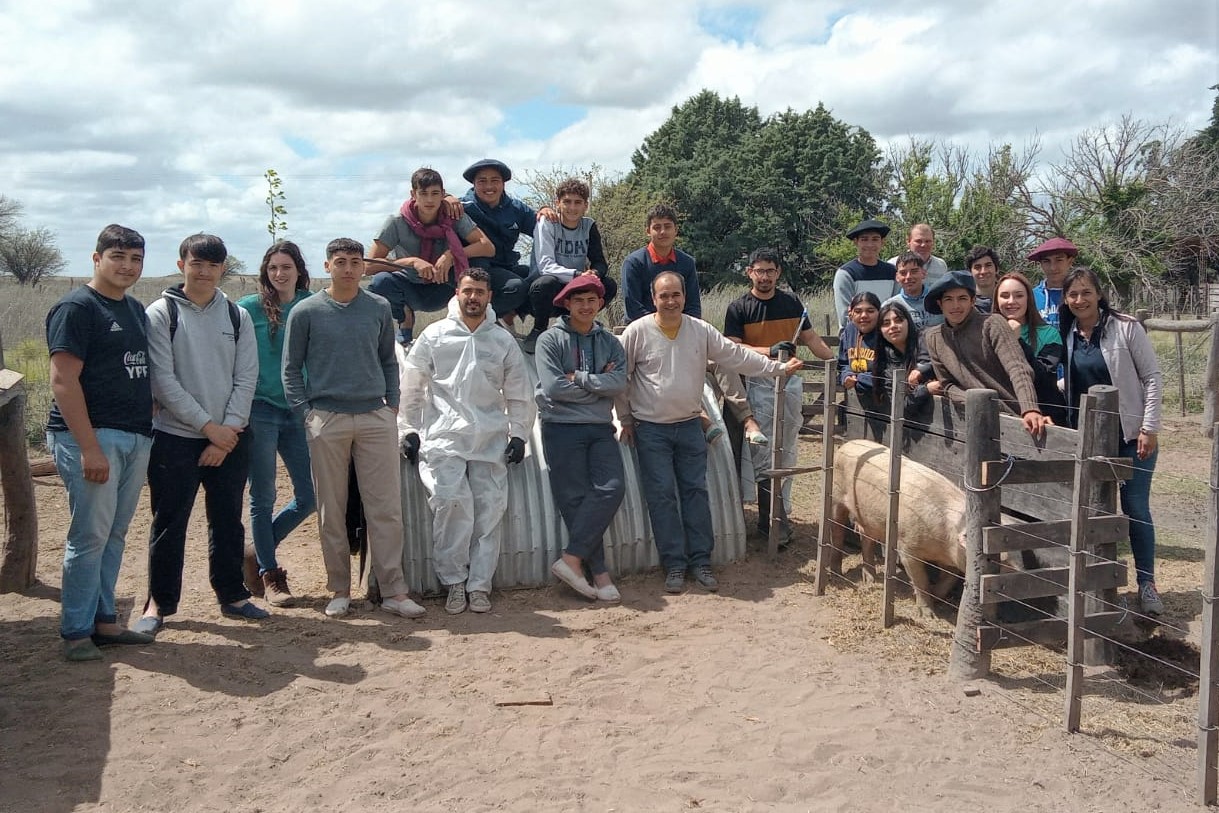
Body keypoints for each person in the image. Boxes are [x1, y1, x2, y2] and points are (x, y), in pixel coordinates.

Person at [617, 272, 803, 594]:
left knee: (695, 493)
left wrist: (776, 367)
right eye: (664, 296)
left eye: (676, 294)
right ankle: (674, 564)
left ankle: (701, 561)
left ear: (684, 296)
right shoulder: (637, 332)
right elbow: (622, 377)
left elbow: (736, 356)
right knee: (661, 496)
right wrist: (625, 419)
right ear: (654, 298)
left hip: (690, 425)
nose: (671, 301)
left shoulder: (699, 331)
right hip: (651, 429)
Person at [283, 238, 424, 621]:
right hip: (327, 418)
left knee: (386, 508)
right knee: (332, 508)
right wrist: (306, 413)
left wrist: (391, 402)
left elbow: (388, 359)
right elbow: (291, 367)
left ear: (364, 267)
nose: (348, 269)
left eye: (355, 262)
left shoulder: (378, 308)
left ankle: (394, 590)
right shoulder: (306, 311)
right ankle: (340, 589)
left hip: (375, 417)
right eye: (340, 262)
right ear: (327, 266)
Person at [135, 234, 263, 636]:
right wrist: (210, 430)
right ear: (181, 264)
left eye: (212, 265)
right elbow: (163, 381)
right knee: (170, 521)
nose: (204, 271)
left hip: (231, 435)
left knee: (227, 520)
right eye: (197, 263)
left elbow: (247, 377)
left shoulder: (236, 316)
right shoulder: (160, 313)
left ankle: (232, 594)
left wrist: (227, 432)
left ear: (223, 268)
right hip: (175, 437)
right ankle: (158, 602)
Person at [46, 224, 156, 661]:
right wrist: (88, 446)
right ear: (96, 259)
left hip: (133, 436)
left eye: (135, 259)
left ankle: (105, 620)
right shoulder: (76, 308)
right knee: (88, 536)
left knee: (114, 534)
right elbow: (62, 380)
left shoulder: (133, 309)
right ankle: (75, 632)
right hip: (92, 439)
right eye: (118, 257)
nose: (127, 266)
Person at [400, 268, 535, 615]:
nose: (473, 297)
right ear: (457, 293)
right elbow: (412, 386)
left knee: (490, 511)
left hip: (489, 436)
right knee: (451, 503)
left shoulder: (501, 339)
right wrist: (408, 429)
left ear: (489, 297)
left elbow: (519, 392)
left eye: (479, 292)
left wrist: (519, 433)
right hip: (444, 435)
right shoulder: (434, 335)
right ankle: (454, 582)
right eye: (467, 291)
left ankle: (479, 585)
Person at [1058, 267, 1164, 615]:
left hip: (1131, 436)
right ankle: (1105, 587)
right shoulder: (1070, 332)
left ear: (1099, 294)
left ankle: (1146, 583)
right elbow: (1072, 381)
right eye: (1072, 294)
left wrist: (1148, 428)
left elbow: (1151, 377)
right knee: (1098, 513)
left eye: (1086, 292)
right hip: (1091, 441)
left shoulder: (1126, 327)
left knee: (1135, 509)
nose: (1079, 300)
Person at [723, 248, 834, 542]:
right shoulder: (738, 308)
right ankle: (767, 519)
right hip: (757, 386)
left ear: (778, 273)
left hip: (790, 387)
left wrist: (835, 363)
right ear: (750, 272)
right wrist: (769, 352)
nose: (765, 277)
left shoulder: (791, 303)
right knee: (761, 452)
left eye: (770, 271)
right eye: (759, 271)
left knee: (786, 450)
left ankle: (779, 513)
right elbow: (732, 348)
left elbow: (811, 339)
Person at [534, 275, 627, 602]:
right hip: (560, 427)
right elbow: (554, 388)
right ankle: (599, 573)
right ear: (567, 304)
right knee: (574, 499)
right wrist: (597, 389)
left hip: (600, 427)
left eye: (591, 300)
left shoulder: (611, 342)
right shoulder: (549, 340)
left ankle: (571, 560)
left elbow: (619, 383)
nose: (585, 306)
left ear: (600, 303)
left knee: (612, 487)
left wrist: (582, 379)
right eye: (579, 300)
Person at [236, 241, 315, 607]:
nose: (280, 274)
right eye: (273, 268)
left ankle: (257, 549)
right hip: (260, 409)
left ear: (299, 270)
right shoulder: (247, 310)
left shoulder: (312, 306)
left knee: (310, 495)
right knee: (262, 494)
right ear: (265, 273)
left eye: (286, 267)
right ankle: (270, 574)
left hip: (299, 410)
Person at [366, 167, 495, 345]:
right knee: (380, 282)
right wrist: (412, 262)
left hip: (444, 285)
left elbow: (487, 247)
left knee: (479, 267)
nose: (429, 200)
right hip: (409, 285)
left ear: (443, 194)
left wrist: (452, 254)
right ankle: (404, 319)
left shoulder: (453, 215)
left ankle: (471, 327)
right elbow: (369, 266)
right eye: (423, 193)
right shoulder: (396, 222)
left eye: (435, 193)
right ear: (413, 194)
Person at [922, 270, 1049, 437]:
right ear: (940, 304)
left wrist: (1030, 408)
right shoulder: (934, 337)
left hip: (1014, 416)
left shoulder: (992, 324)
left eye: (962, 298)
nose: (955, 306)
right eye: (948, 299)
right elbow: (947, 384)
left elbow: (1018, 367)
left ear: (973, 301)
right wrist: (977, 402)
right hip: (970, 420)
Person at [522, 177, 618, 353]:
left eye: (578, 202)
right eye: (567, 202)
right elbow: (545, 266)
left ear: (585, 205)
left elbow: (599, 261)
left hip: (573, 288)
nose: (572, 208)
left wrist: (594, 273)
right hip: (545, 292)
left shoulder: (588, 226)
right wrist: (579, 276)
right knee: (546, 283)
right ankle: (539, 330)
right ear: (557, 203)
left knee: (609, 285)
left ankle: (581, 324)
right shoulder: (547, 223)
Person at [457, 158, 555, 326]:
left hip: (507, 266)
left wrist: (545, 211)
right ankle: (484, 322)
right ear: (473, 184)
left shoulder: (515, 208)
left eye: (495, 181)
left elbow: (541, 231)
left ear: (503, 184)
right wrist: (446, 197)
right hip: (477, 272)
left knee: (542, 282)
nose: (489, 187)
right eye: (482, 181)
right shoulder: (462, 207)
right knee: (516, 288)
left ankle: (529, 326)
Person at [994, 272, 1068, 425]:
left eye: (1019, 295)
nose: (1011, 301)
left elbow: (1041, 377)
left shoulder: (1050, 334)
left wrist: (1017, 341)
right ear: (996, 300)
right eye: (1005, 296)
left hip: (1044, 418)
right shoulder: (987, 334)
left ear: (1029, 298)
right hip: (1002, 417)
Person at [621, 203, 701, 323]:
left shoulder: (687, 262)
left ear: (676, 230)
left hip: (680, 329)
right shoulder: (634, 263)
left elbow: (693, 307)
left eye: (668, 226)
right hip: (642, 329)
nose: (663, 232)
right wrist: (661, 325)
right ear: (648, 231)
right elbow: (633, 308)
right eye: (657, 227)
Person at [874, 301, 934, 420]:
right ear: (880, 331)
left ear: (908, 322)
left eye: (898, 320)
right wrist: (926, 389)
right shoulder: (885, 364)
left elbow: (946, 365)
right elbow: (899, 407)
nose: (893, 326)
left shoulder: (928, 341)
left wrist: (923, 371)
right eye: (886, 323)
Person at [838, 292, 887, 438]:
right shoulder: (849, 331)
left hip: (885, 402)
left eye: (870, 311)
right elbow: (843, 362)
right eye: (858, 311)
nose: (864, 315)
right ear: (851, 313)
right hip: (858, 405)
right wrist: (846, 375)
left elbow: (889, 372)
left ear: (879, 313)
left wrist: (859, 380)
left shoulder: (885, 334)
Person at [833, 219, 897, 329]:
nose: (870, 244)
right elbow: (845, 315)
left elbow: (896, 306)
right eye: (864, 239)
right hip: (857, 335)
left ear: (882, 242)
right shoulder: (846, 274)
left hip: (887, 333)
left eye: (875, 239)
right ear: (856, 242)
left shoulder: (892, 272)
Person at [882, 251, 943, 329]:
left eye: (914, 271)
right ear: (897, 277)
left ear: (923, 273)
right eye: (903, 273)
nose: (908, 277)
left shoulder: (939, 300)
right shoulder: (889, 306)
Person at [1028, 236, 1078, 327]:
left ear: (1070, 262)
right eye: (1046, 261)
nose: (1053, 267)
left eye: (1059, 260)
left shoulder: (1079, 295)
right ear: (1041, 265)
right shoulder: (1031, 297)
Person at [965, 245, 1001, 314]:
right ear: (970, 272)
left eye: (988, 265)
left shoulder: (1008, 299)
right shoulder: (965, 304)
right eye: (977, 267)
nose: (983, 271)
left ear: (997, 269)